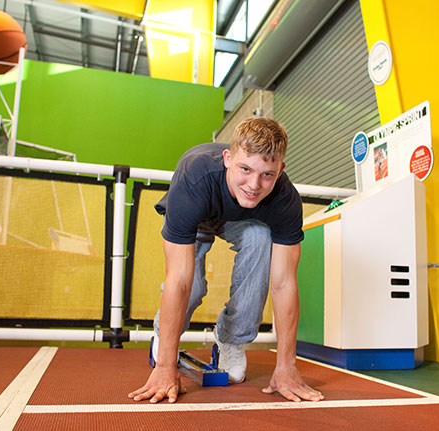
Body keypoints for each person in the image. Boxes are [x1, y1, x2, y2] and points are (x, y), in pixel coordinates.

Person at [127, 116, 324, 404]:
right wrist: (166, 366)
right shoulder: (195, 176)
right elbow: (178, 280)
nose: (254, 184)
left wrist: (286, 367)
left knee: (260, 238)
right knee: (191, 287)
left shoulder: (285, 200)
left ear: (280, 170)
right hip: (197, 213)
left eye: (267, 174)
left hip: (243, 221)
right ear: (228, 158)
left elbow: (283, 283)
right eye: (245, 169)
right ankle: (163, 335)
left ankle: (231, 340)